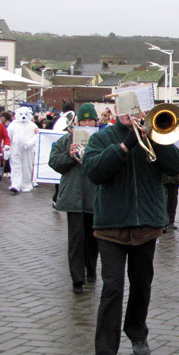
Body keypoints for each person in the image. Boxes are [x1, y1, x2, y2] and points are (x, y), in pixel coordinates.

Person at [83, 91, 179, 355]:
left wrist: (155, 139)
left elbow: (176, 167)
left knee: (142, 284)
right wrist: (125, 145)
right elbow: (94, 171)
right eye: (128, 115)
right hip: (111, 227)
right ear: (118, 113)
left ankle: (137, 333)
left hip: (147, 224)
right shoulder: (102, 138)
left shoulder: (154, 134)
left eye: (137, 114)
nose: (133, 119)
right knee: (112, 290)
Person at [49, 103, 100, 294]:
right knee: (76, 239)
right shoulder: (66, 140)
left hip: (94, 196)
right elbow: (54, 162)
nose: (87, 123)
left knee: (93, 238)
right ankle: (77, 279)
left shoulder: (101, 139)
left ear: (96, 121)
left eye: (90, 120)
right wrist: (70, 156)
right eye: (84, 120)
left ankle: (91, 270)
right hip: (74, 196)